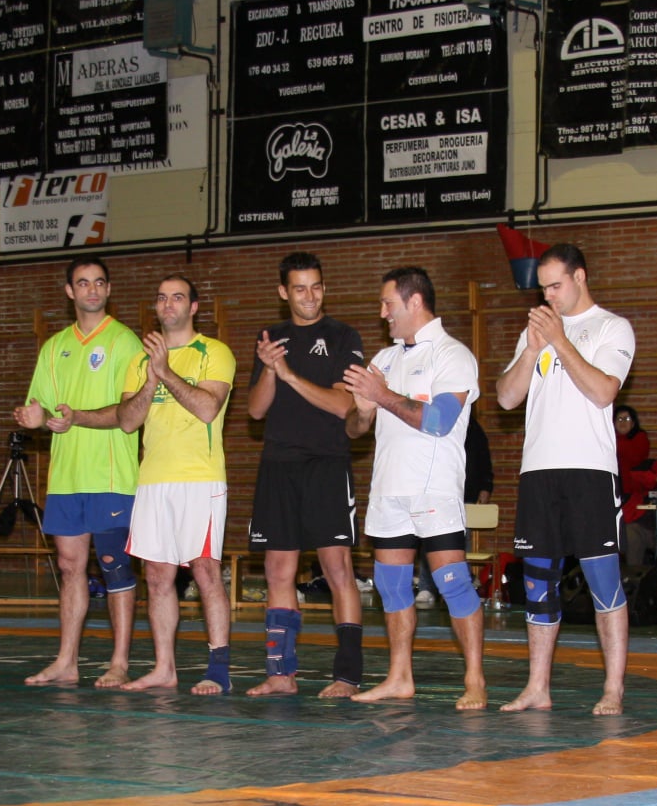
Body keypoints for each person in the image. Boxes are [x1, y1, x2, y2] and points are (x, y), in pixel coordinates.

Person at [493, 243, 633, 715]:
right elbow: (507, 398)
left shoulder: (612, 327)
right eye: (543, 288)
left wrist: (561, 341)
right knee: (536, 583)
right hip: (539, 471)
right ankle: (537, 686)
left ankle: (613, 689)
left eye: (556, 285)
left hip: (589, 471)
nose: (548, 296)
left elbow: (602, 391)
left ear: (580, 277)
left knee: (602, 581)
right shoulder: (537, 330)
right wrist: (533, 349)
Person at [342, 267, 488, 710]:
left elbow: (439, 422)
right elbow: (354, 430)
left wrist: (382, 396)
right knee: (392, 588)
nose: (382, 312)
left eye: (389, 304)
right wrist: (363, 410)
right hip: (389, 491)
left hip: (434, 491)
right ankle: (399, 677)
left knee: (452, 583)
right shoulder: (383, 361)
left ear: (415, 302)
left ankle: (475, 680)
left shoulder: (453, 355)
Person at [15, 257, 142, 687]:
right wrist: (35, 418)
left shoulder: (127, 342)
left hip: (111, 476)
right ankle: (66, 661)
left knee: (115, 566)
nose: (92, 290)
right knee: (71, 568)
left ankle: (119, 662)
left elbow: (129, 413)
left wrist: (75, 418)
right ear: (69, 291)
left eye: (99, 283)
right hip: (66, 477)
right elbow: (44, 407)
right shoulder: (54, 347)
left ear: (109, 289)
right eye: (83, 283)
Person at [246, 252, 367, 698]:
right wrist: (270, 370)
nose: (310, 296)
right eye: (300, 288)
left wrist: (288, 374)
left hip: (327, 464)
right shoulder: (270, 339)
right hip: (279, 465)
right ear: (284, 292)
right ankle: (281, 673)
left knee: (337, 568)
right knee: (279, 570)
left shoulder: (342, 336)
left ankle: (347, 675)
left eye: (316, 286)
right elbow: (256, 411)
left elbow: (343, 406)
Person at [116, 276, 236, 694]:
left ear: (194, 306)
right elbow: (128, 421)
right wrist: (151, 377)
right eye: (163, 298)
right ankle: (164, 667)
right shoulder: (138, 361)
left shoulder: (214, 352)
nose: (169, 304)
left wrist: (165, 372)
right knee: (157, 576)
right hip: (152, 480)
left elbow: (206, 408)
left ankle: (218, 668)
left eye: (178, 297)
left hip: (198, 479)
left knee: (205, 570)